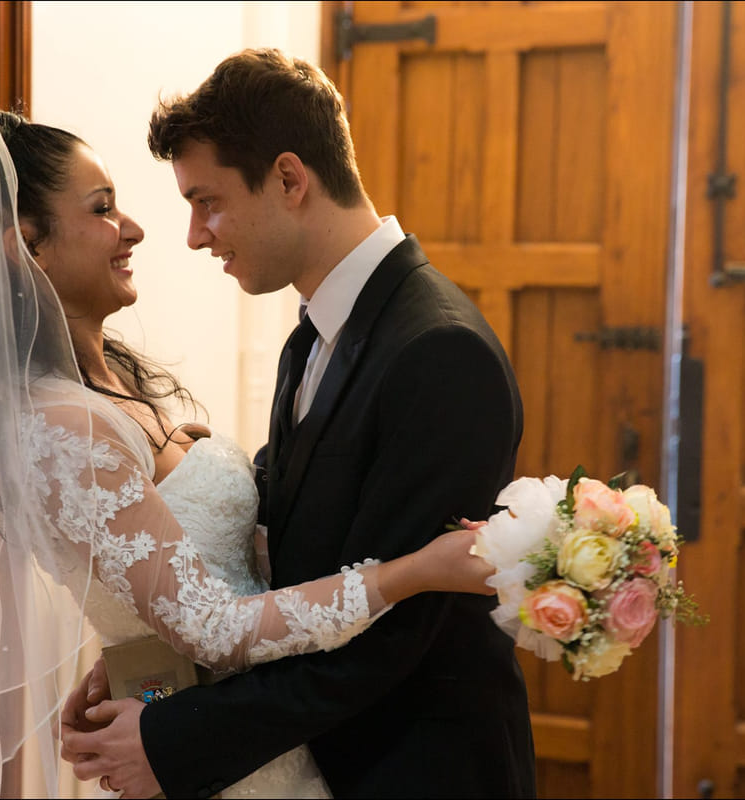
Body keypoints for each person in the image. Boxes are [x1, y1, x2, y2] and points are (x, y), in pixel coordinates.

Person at [0, 105, 497, 799]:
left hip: (261, 734)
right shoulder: (59, 428)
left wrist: (131, 656)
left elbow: (171, 574)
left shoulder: (108, 384)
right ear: (24, 245)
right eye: (103, 208)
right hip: (234, 759)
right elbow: (215, 626)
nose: (135, 228)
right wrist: (417, 569)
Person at [59, 48, 536, 799]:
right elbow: (292, 550)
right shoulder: (313, 332)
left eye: (207, 201)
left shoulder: (439, 350)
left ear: (288, 179)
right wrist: (146, 659)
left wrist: (173, 741)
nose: (194, 235)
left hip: (415, 769)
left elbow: (391, 638)